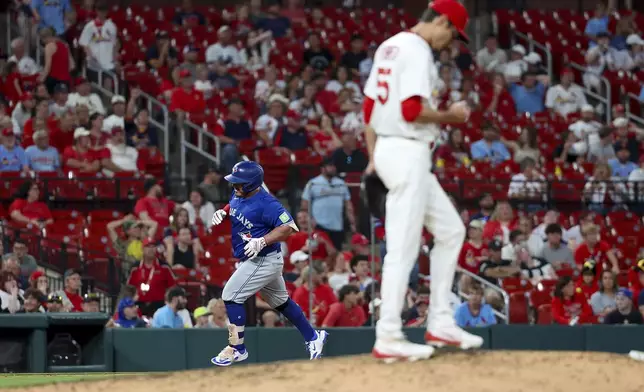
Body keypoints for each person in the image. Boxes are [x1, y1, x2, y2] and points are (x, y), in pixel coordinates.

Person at [362, 0, 482, 362]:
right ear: (442, 21)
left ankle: (441, 321)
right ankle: (388, 336)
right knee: (403, 248)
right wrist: (452, 116)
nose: (451, 42)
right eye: (453, 33)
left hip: (391, 150)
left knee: (450, 231)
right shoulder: (417, 50)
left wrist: (373, 160)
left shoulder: (390, 45)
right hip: (407, 150)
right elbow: (411, 111)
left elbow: (369, 110)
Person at [209, 161, 327, 366]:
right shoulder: (239, 193)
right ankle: (313, 337)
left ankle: (237, 348)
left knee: (230, 295)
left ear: (251, 184)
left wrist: (262, 240)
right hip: (258, 259)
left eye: (239, 183)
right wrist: (224, 211)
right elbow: (235, 204)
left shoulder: (267, 203)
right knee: (281, 303)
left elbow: (289, 227)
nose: (234, 186)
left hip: (263, 259)